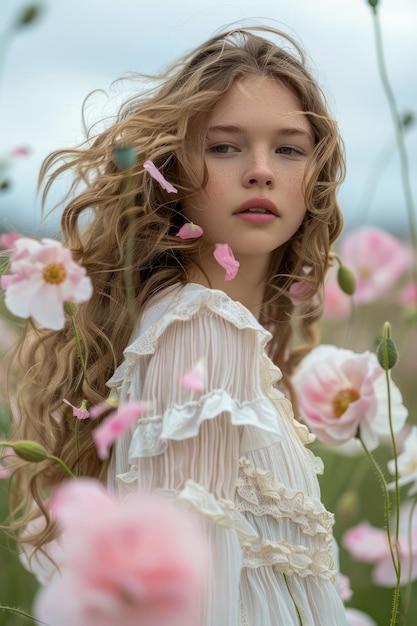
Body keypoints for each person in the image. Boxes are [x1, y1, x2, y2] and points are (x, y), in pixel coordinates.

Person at [6, 25, 348, 625]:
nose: (261, 170)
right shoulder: (200, 329)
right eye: (225, 146)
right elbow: (191, 602)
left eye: (289, 148)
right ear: (173, 168)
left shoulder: (194, 323)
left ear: (313, 178)